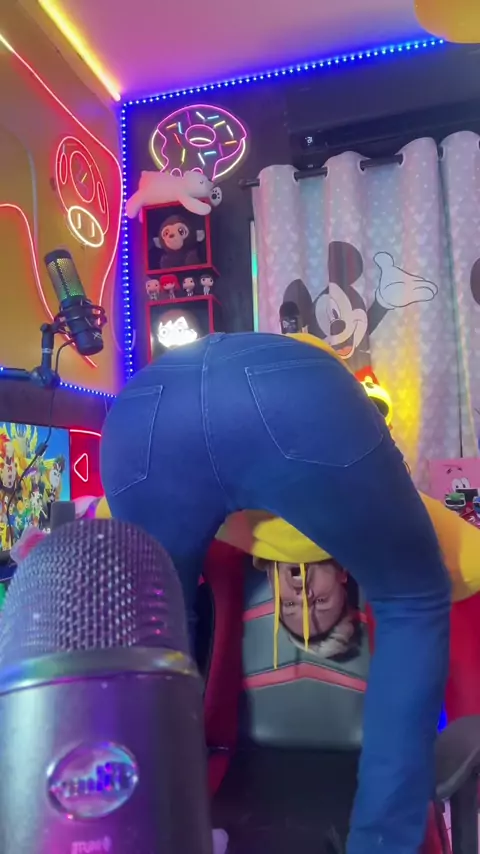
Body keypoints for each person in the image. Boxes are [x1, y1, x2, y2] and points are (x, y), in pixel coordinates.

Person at [101, 330, 450, 854]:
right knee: (412, 600)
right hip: (293, 393)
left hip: (144, 403)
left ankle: (157, 837)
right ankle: (382, 843)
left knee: (153, 627)